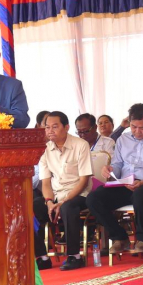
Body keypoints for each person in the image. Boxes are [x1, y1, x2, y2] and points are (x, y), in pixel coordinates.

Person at [86, 104, 143, 255]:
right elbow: (118, 163)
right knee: (93, 198)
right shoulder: (123, 139)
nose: (137, 131)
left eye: (142, 128)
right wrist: (111, 169)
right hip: (124, 183)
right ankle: (119, 237)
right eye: (133, 127)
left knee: (140, 195)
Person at [34, 111, 93, 271]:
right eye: (47, 127)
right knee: (31, 207)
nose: (50, 131)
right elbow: (46, 182)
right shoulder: (45, 149)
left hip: (79, 194)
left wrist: (63, 201)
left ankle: (74, 256)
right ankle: (42, 257)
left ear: (66, 127)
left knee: (68, 207)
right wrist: (49, 202)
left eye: (55, 127)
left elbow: (83, 181)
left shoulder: (81, 145)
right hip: (55, 194)